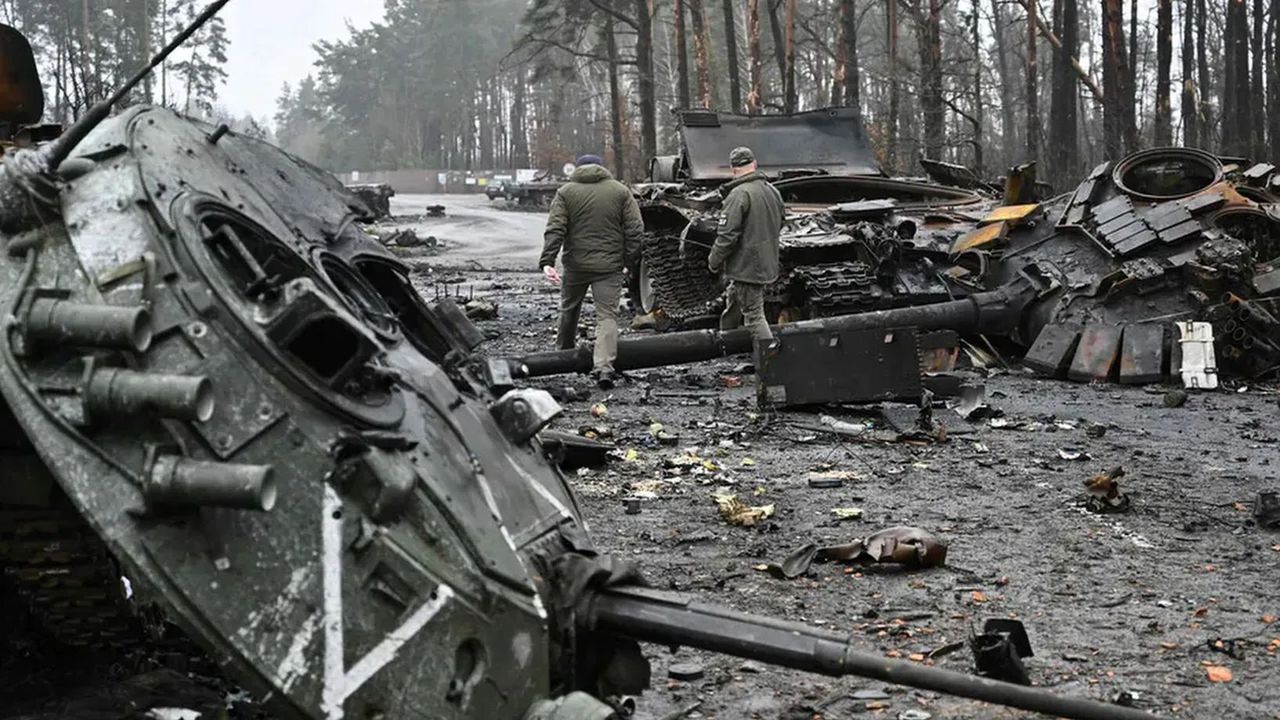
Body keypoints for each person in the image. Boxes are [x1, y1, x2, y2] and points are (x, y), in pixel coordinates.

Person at [540, 154, 644, 389]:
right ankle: (604, 367)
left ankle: (563, 355)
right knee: (607, 316)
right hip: (609, 267)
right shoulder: (620, 191)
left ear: (577, 169)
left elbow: (555, 228)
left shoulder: (565, 192)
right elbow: (636, 230)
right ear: (601, 168)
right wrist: (629, 260)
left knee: (569, 308)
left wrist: (547, 261)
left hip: (575, 266)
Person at [706, 146, 784, 341]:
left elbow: (726, 236)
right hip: (766, 261)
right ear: (755, 164)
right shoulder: (772, 190)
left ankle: (770, 360)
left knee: (754, 316)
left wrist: (713, 261)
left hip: (747, 266)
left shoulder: (738, 195)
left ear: (733, 169)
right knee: (734, 302)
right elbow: (781, 221)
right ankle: (727, 343)